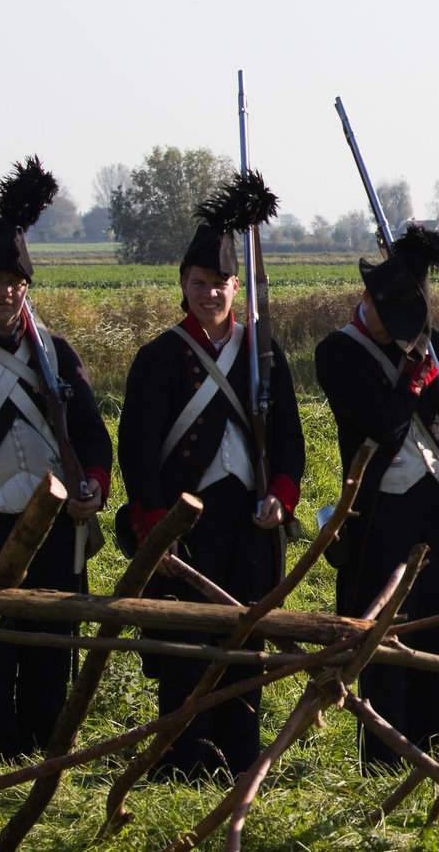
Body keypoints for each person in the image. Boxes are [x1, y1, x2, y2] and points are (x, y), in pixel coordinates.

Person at [118, 173, 304, 777]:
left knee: (245, 642)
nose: (210, 295)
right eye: (198, 284)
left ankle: (240, 756)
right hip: (185, 523)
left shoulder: (262, 352)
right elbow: (138, 450)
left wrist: (281, 498)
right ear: (184, 286)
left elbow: (288, 443)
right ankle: (184, 758)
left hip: (250, 522)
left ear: (234, 286)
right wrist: (154, 523)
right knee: (184, 646)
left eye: (220, 284)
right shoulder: (158, 358)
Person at [317, 225, 439, 771]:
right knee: (382, 644)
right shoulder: (337, 353)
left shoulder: (436, 346)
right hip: (379, 516)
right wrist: (413, 380)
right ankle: (383, 764)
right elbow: (382, 425)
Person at [0, 158, 112, 760]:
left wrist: (94, 488)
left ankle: (42, 752)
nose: (6, 291)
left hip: (55, 530)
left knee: (52, 647)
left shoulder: (54, 352)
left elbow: (91, 434)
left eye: (15, 282)